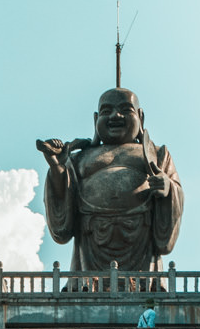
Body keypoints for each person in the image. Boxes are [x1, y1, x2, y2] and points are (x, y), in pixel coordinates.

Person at [38, 88, 184, 273]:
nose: (116, 115)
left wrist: (168, 189)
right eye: (106, 111)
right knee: (88, 287)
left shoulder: (157, 154)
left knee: (144, 291)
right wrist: (57, 169)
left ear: (141, 118)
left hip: (140, 236)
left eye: (126, 109)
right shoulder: (80, 157)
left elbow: (175, 190)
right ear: (95, 119)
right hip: (91, 237)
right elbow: (64, 198)